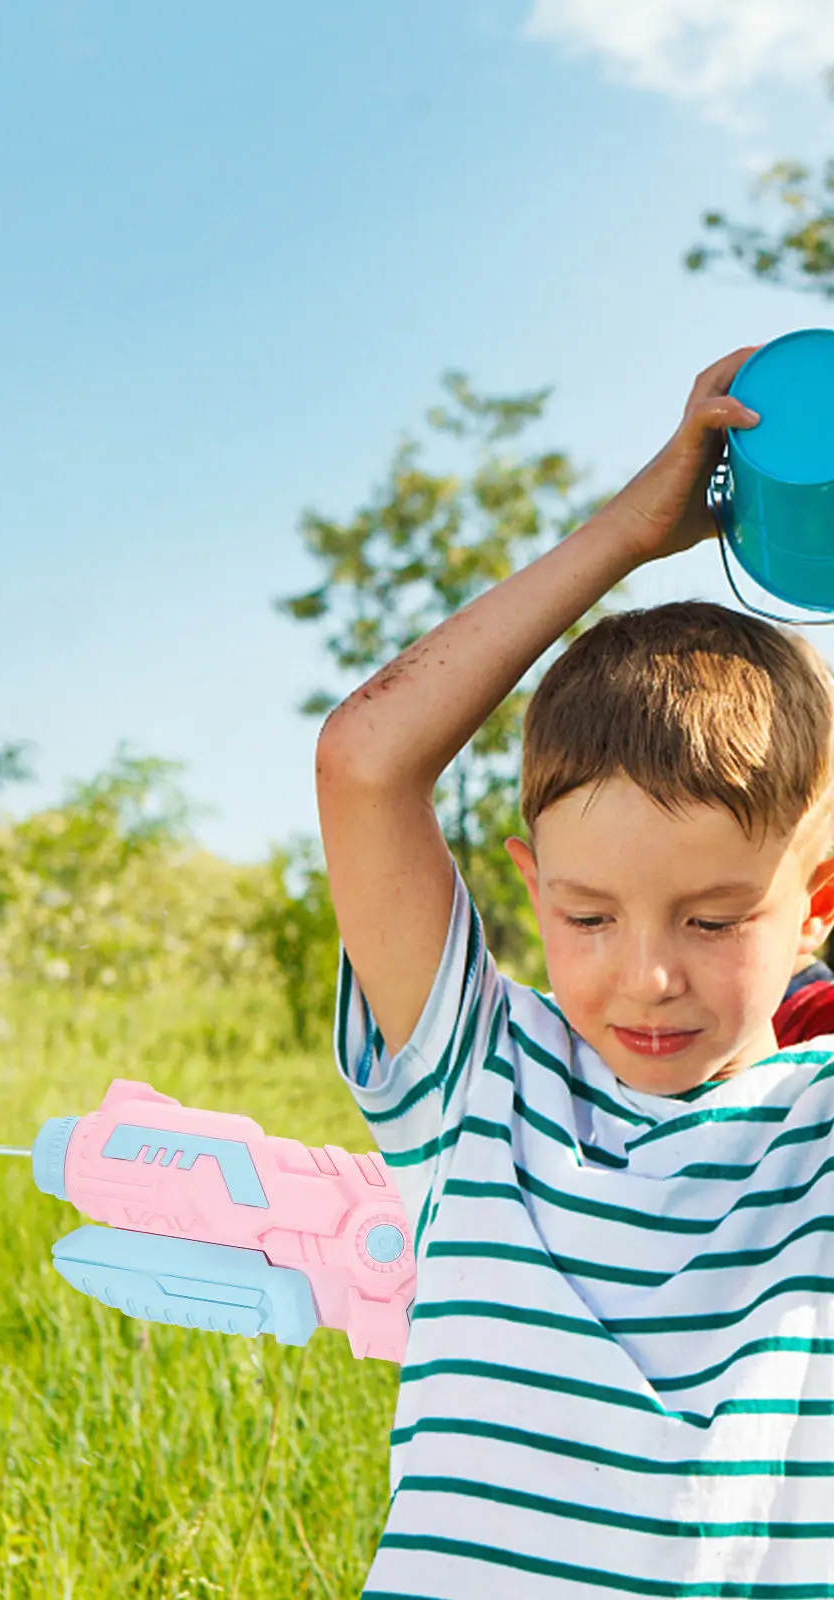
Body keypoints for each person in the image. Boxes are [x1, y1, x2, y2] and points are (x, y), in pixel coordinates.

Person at [317, 347, 834, 1595]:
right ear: (532, 885)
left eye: (713, 921)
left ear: (816, 906)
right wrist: (628, 529)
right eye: (589, 916)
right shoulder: (480, 1079)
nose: (646, 976)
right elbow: (364, 763)